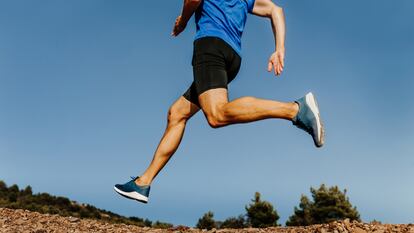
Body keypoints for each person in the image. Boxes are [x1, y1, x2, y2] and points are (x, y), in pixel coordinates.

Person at [114, 0, 325, 203]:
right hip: (232, 56)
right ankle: (143, 182)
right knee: (177, 113)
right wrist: (280, 48)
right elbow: (275, 10)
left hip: (210, 47)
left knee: (217, 115)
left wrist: (183, 21)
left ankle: (295, 110)